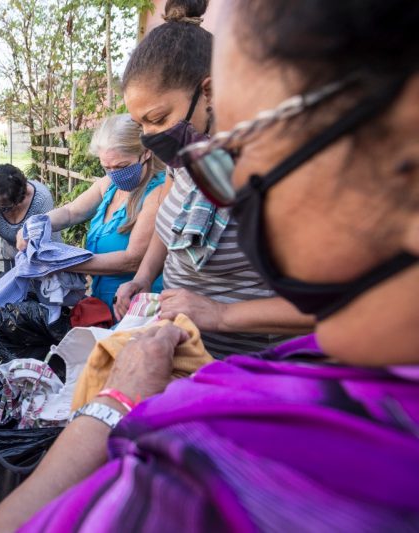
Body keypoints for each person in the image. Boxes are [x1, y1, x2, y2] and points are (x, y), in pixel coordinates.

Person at [0, 0, 419, 530]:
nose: (230, 176)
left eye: (248, 140)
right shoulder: (302, 374)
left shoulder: (206, 463)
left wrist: (116, 401)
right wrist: (144, 282)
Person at [109, 0, 312, 356]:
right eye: (140, 124)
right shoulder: (186, 152)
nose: (149, 137)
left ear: (209, 92)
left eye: (157, 118)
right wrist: (142, 278)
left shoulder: (278, 165)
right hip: (182, 350)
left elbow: (329, 305)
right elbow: (168, 225)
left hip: (247, 367)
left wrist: (221, 314)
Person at [17, 114, 167, 311]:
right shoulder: (109, 185)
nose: (114, 173)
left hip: (138, 307)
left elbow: (133, 260)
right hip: (103, 301)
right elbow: (71, 212)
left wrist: (61, 262)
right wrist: (35, 223)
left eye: (122, 166)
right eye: (107, 167)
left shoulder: (158, 193)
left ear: (146, 153)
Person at [0, 163, 57, 273]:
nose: (0, 208)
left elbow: (47, 244)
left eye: (6, 207)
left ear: (20, 198)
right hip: (11, 255)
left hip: (42, 258)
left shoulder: (41, 199)